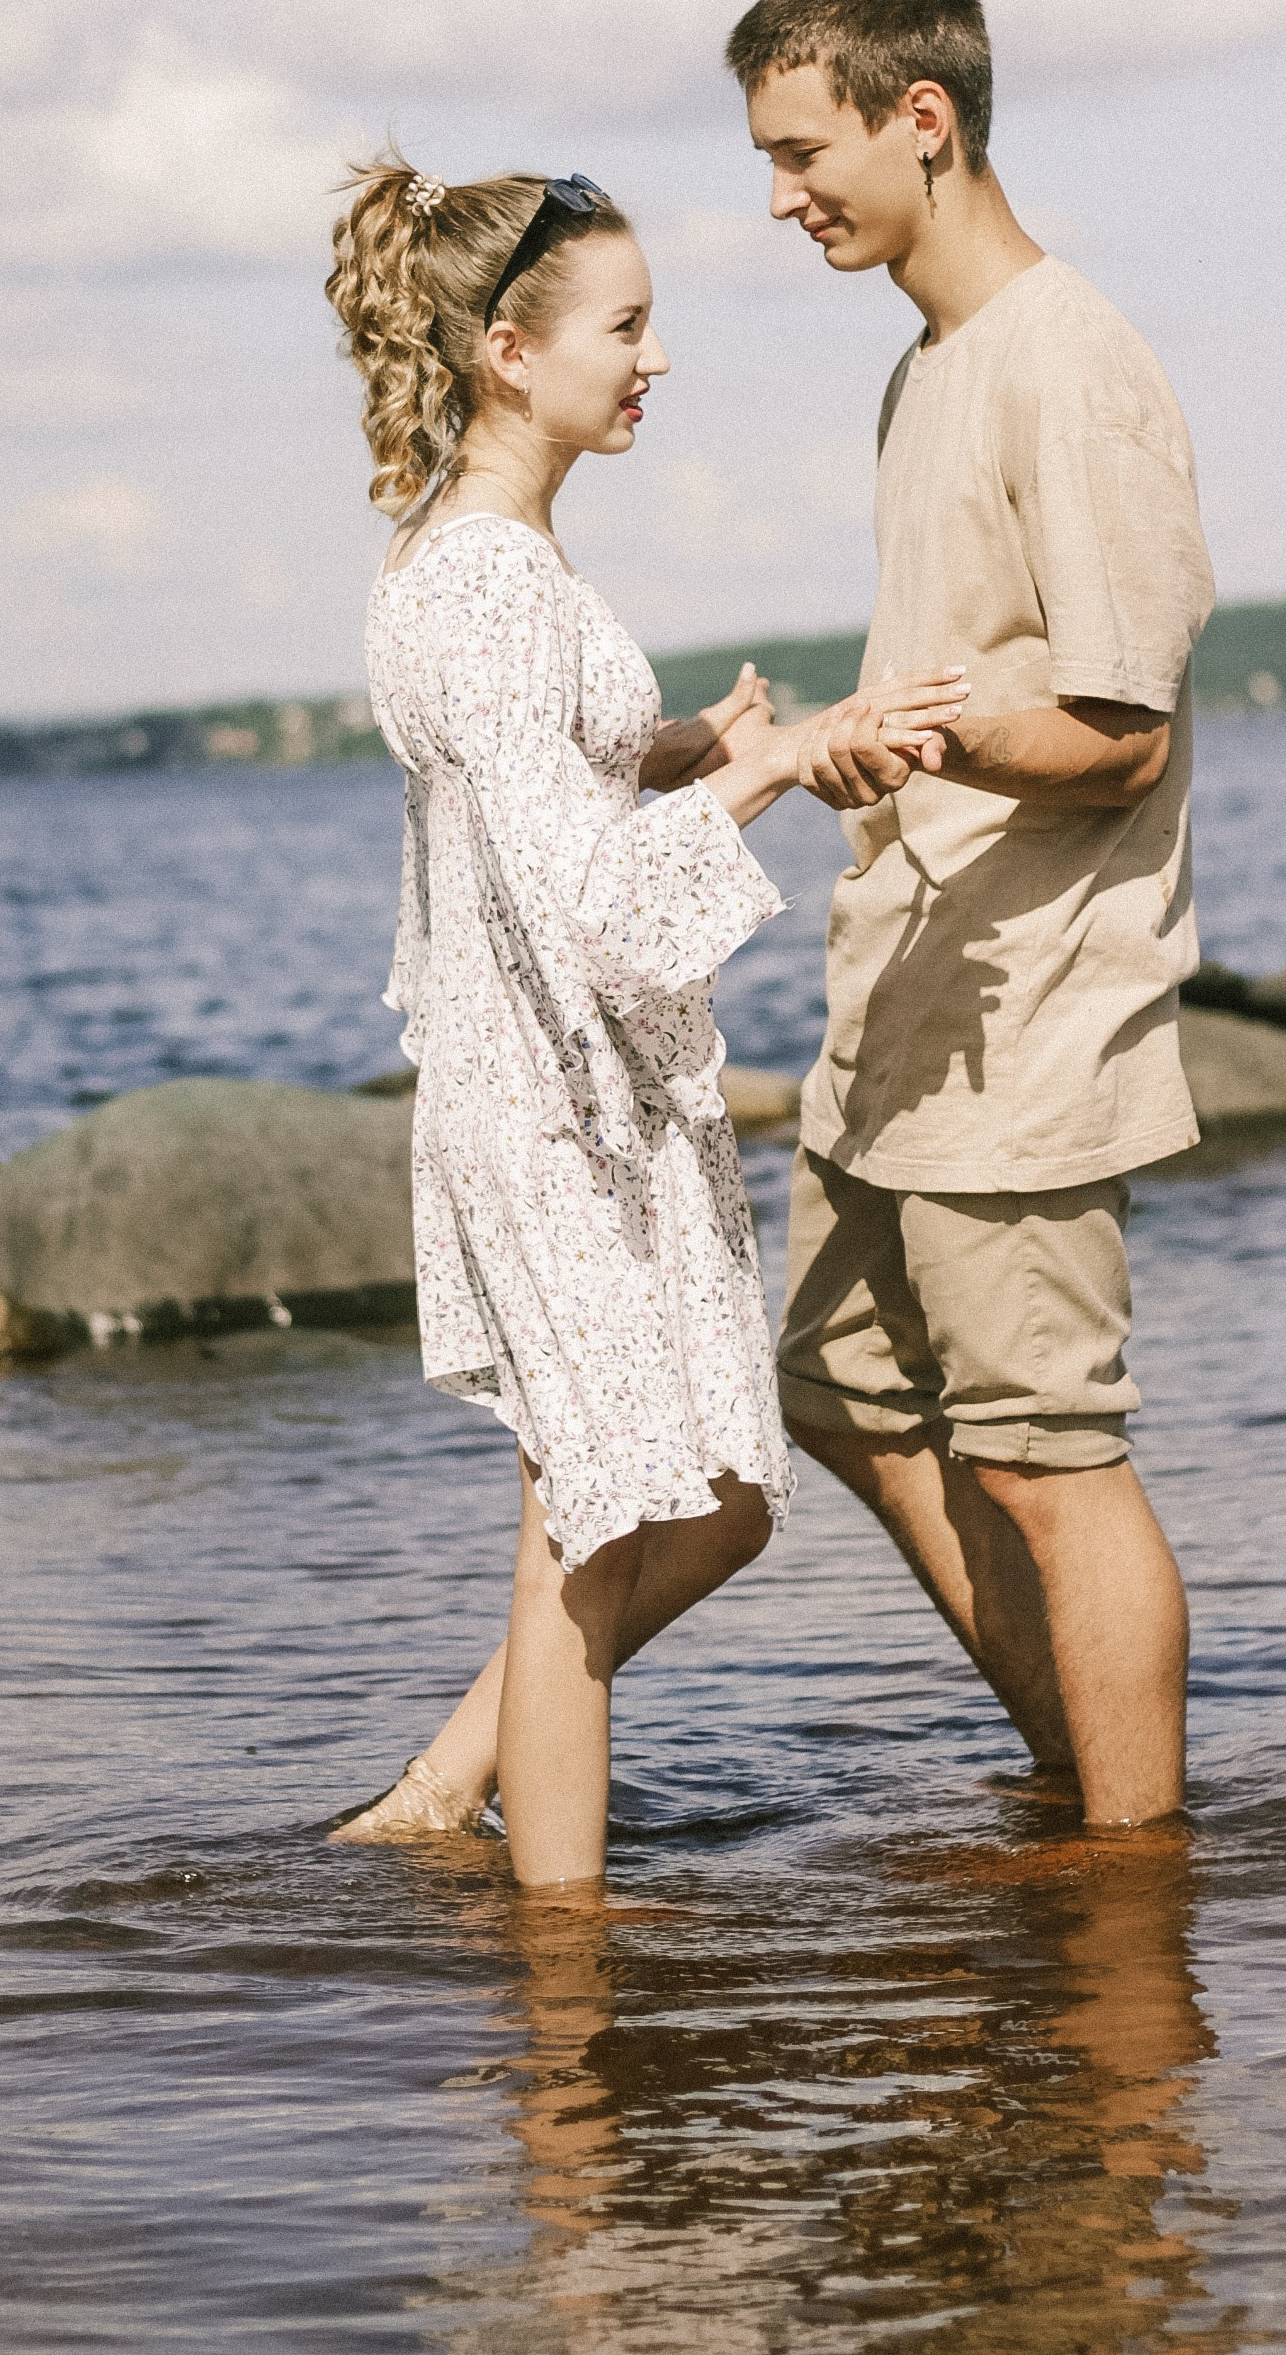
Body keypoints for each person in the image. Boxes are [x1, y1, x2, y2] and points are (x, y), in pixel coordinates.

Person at [323, 151, 967, 1890]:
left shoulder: (477, 563)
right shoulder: (488, 589)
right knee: (584, 1535)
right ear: (507, 354)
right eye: (627, 324)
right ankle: (565, 1981)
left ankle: (444, 1799)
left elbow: (530, 818)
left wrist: (672, 753)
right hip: (548, 1114)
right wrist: (766, 771)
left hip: (566, 1095)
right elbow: (594, 912)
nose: (654, 358)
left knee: (710, 1508)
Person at [730, 0, 1216, 1831]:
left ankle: (1133, 1864)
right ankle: (1079, 1770)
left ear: (920, 119)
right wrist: (871, 739)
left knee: (1047, 1456)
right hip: (901, 994)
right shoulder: (924, 371)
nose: (780, 200)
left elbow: (1123, 733)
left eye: (802, 153)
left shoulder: (1071, 367)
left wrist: (927, 735)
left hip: (1035, 1003)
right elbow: (971, 678)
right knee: (837, 1391)